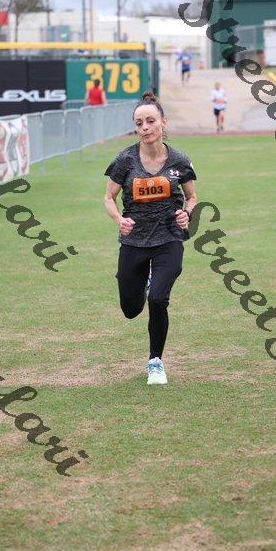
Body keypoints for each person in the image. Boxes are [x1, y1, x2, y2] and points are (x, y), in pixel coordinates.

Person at [103, 91, 197, 386]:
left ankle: (155, 361)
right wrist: (119, 220)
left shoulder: (179, 160)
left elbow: (192, 197)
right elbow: (108, 197)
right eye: (139, 123)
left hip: (169, 238)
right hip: (134, 241)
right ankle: (143, 284)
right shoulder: (125, 160)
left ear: (163, 123)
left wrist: (186, 214)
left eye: (150, 121)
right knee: (131, 310)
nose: (144, 128)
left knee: (158, 299)